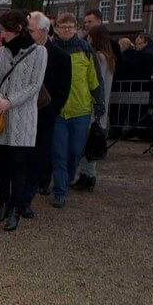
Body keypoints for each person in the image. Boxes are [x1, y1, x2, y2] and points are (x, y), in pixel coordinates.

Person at [0, 9, 47, 232]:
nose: (2, 35)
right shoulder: (0, 53)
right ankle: (3, 202)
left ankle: (15, 208)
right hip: (1, 118)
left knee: (19, 165)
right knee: (2, 164)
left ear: (18, 29)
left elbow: (34, 86)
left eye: (5, 31)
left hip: (23, 119)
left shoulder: (39, 53)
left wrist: (9, 102)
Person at [49, 13, 101, 209]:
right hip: (58, 112)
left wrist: (99, 102)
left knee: (75, 152)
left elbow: (93, 80)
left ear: (76, 28)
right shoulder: (50, 49)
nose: (67, 30)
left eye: (70, 27)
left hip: (80, 111)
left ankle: (68, 178)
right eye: (63, 27)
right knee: (59, 153)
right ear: (57, 28)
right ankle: (60, 190)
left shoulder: (85, 49)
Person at [24, 11, 71, 206]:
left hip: (45, 116)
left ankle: (31, 193)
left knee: (41, 154)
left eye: (32, 31)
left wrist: (50, 112)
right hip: (24, 114)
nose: (28, 34)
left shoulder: (60, 57)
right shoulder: (23, 52)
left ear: (44, 31)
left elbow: (63, 90)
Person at [75, 25, 116, 191]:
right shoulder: (110, 57)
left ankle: (88, 175)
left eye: (90, 36)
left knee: (88, 141)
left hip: (94, 105)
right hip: (102, 105)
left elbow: (95, 81)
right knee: (92, 140)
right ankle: (87, 174)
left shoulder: (98, 57)